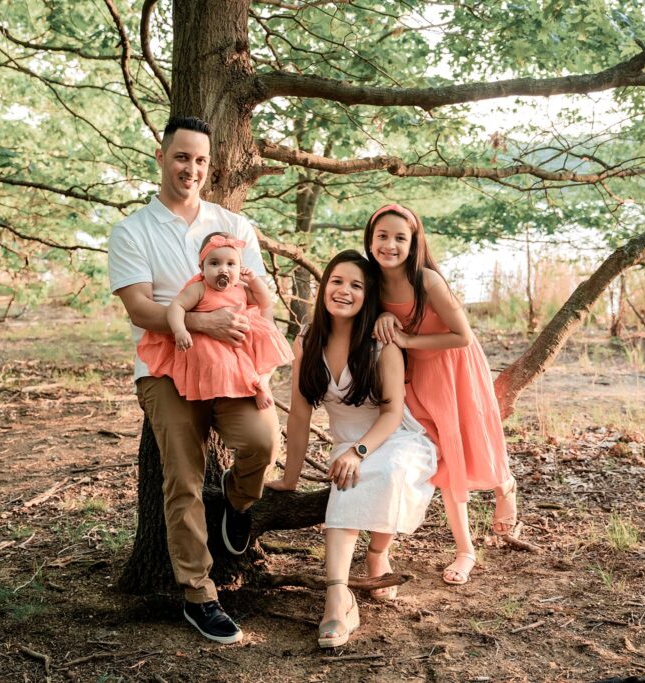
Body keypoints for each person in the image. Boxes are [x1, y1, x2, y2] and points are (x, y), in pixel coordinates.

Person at [108, 116, 280, 644]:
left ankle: (234, 502)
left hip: (231, 366)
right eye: (182, 157)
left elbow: (258, 300)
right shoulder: (132, 230)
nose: (192, 168)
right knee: (182, 477)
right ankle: (198, 594)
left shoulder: (234, 224)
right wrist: (199, 321)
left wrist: (262, 368)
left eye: (201, 160)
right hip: (166, 369)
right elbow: (140, 308)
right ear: (161, 158)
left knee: (262, 443)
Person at [267, 250, 436, 648]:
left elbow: (393, 413)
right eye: (337, 281)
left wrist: (358, 451)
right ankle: (337, 599)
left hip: (394, 437)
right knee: (347, 485)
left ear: (368, 295)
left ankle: (377, 551)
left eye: (356, 285)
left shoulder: (381, 343)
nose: (344, 291)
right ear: (324, 286)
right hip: (347, 443)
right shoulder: (307, 341)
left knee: (389, 470)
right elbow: (299, 415)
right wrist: (290, 478)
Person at [365, 203, 517, 586]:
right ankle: (467, 549)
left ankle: (505, 485)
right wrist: (383, 318)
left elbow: (461, 335)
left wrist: (406, 337)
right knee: (445, 457)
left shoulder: (427, 280)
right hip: (416, 377)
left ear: (414, 243)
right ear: (369, 239)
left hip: (454, 368)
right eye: (382, 236)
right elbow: (372, 324)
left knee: (473, 442)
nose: (390, 245)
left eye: (400, 238)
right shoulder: (370, 282)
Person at [137, 231, 293, 410]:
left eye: (231, 264)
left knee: (268, 346)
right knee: (220, 362)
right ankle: (226, 393)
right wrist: (180, 330)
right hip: (213, 342)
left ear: (240, 268)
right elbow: (176, 306)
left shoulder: (240, 289)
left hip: (242, 338)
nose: (223, 269)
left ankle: (262, 382)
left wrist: (254, 281)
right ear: (202, 268)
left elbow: (264, 301)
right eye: (214, 263)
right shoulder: (199, 289)